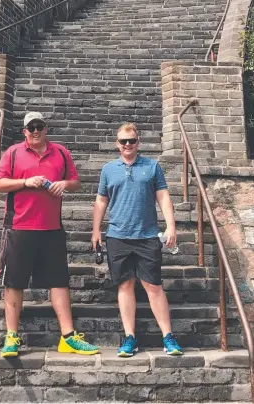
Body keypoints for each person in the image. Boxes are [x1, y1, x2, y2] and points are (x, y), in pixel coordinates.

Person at [0, 111, 99, 357]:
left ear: (46, 128)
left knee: (59, 281)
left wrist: (64, 185)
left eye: (39, 126)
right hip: (19, 226)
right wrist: (25, 182)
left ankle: (68, 337)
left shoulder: (61, 152)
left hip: (52, 228)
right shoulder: (13, 153)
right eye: (31, 127)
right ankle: (11, 336)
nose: (35, 131)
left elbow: (75, 182)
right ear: (24, 132)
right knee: (14, 282)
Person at [92, 122, 183, 357]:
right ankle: (130, 337)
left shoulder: (152, 166)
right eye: (123, 141)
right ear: (117, 144)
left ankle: (168, 337)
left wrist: (171, 226)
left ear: (138, 143)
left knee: (153, 286)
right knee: (124, 285)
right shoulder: (108, 169)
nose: (127, 145)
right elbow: (101, 201)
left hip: (147, 235)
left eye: (131, 141)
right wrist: (96, 231)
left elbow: (163, 197)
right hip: (117, 236)